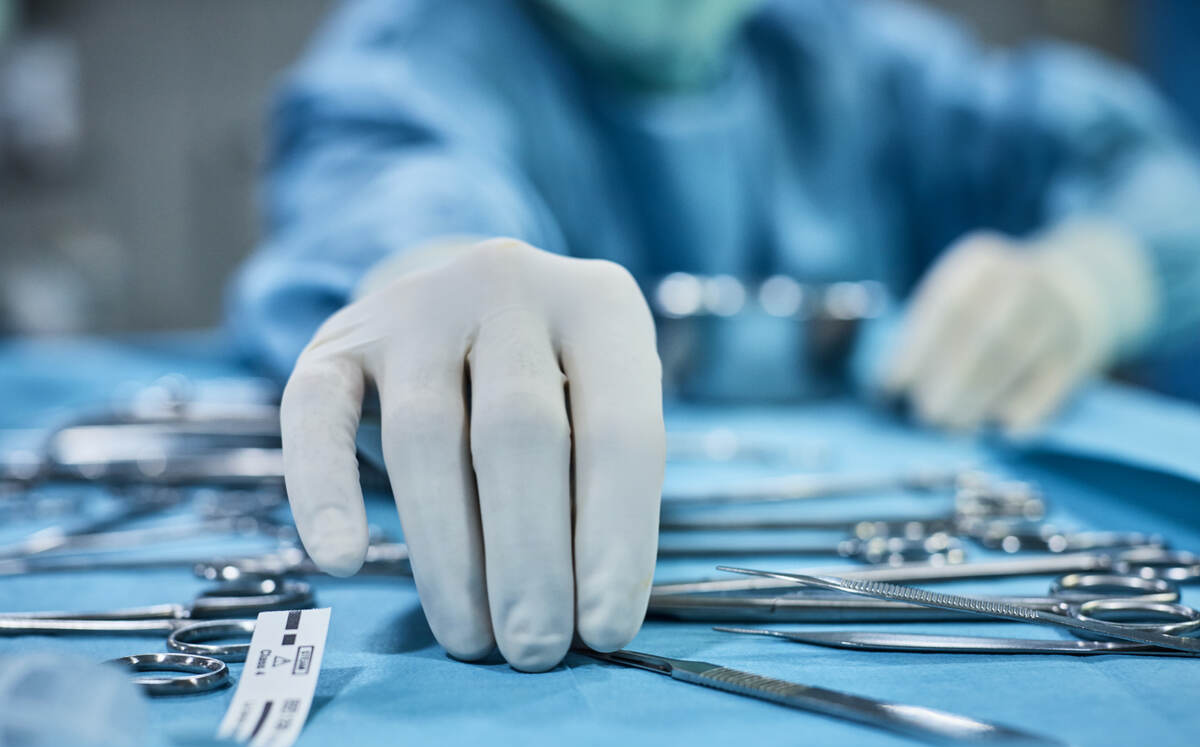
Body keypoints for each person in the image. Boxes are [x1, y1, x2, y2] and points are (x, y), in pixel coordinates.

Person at [229, 0, 1200, 671]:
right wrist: (431, 271)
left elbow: (1154, 181)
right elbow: (384, 182)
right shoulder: (423, 57)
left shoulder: (841, 51)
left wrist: (1098, 274)